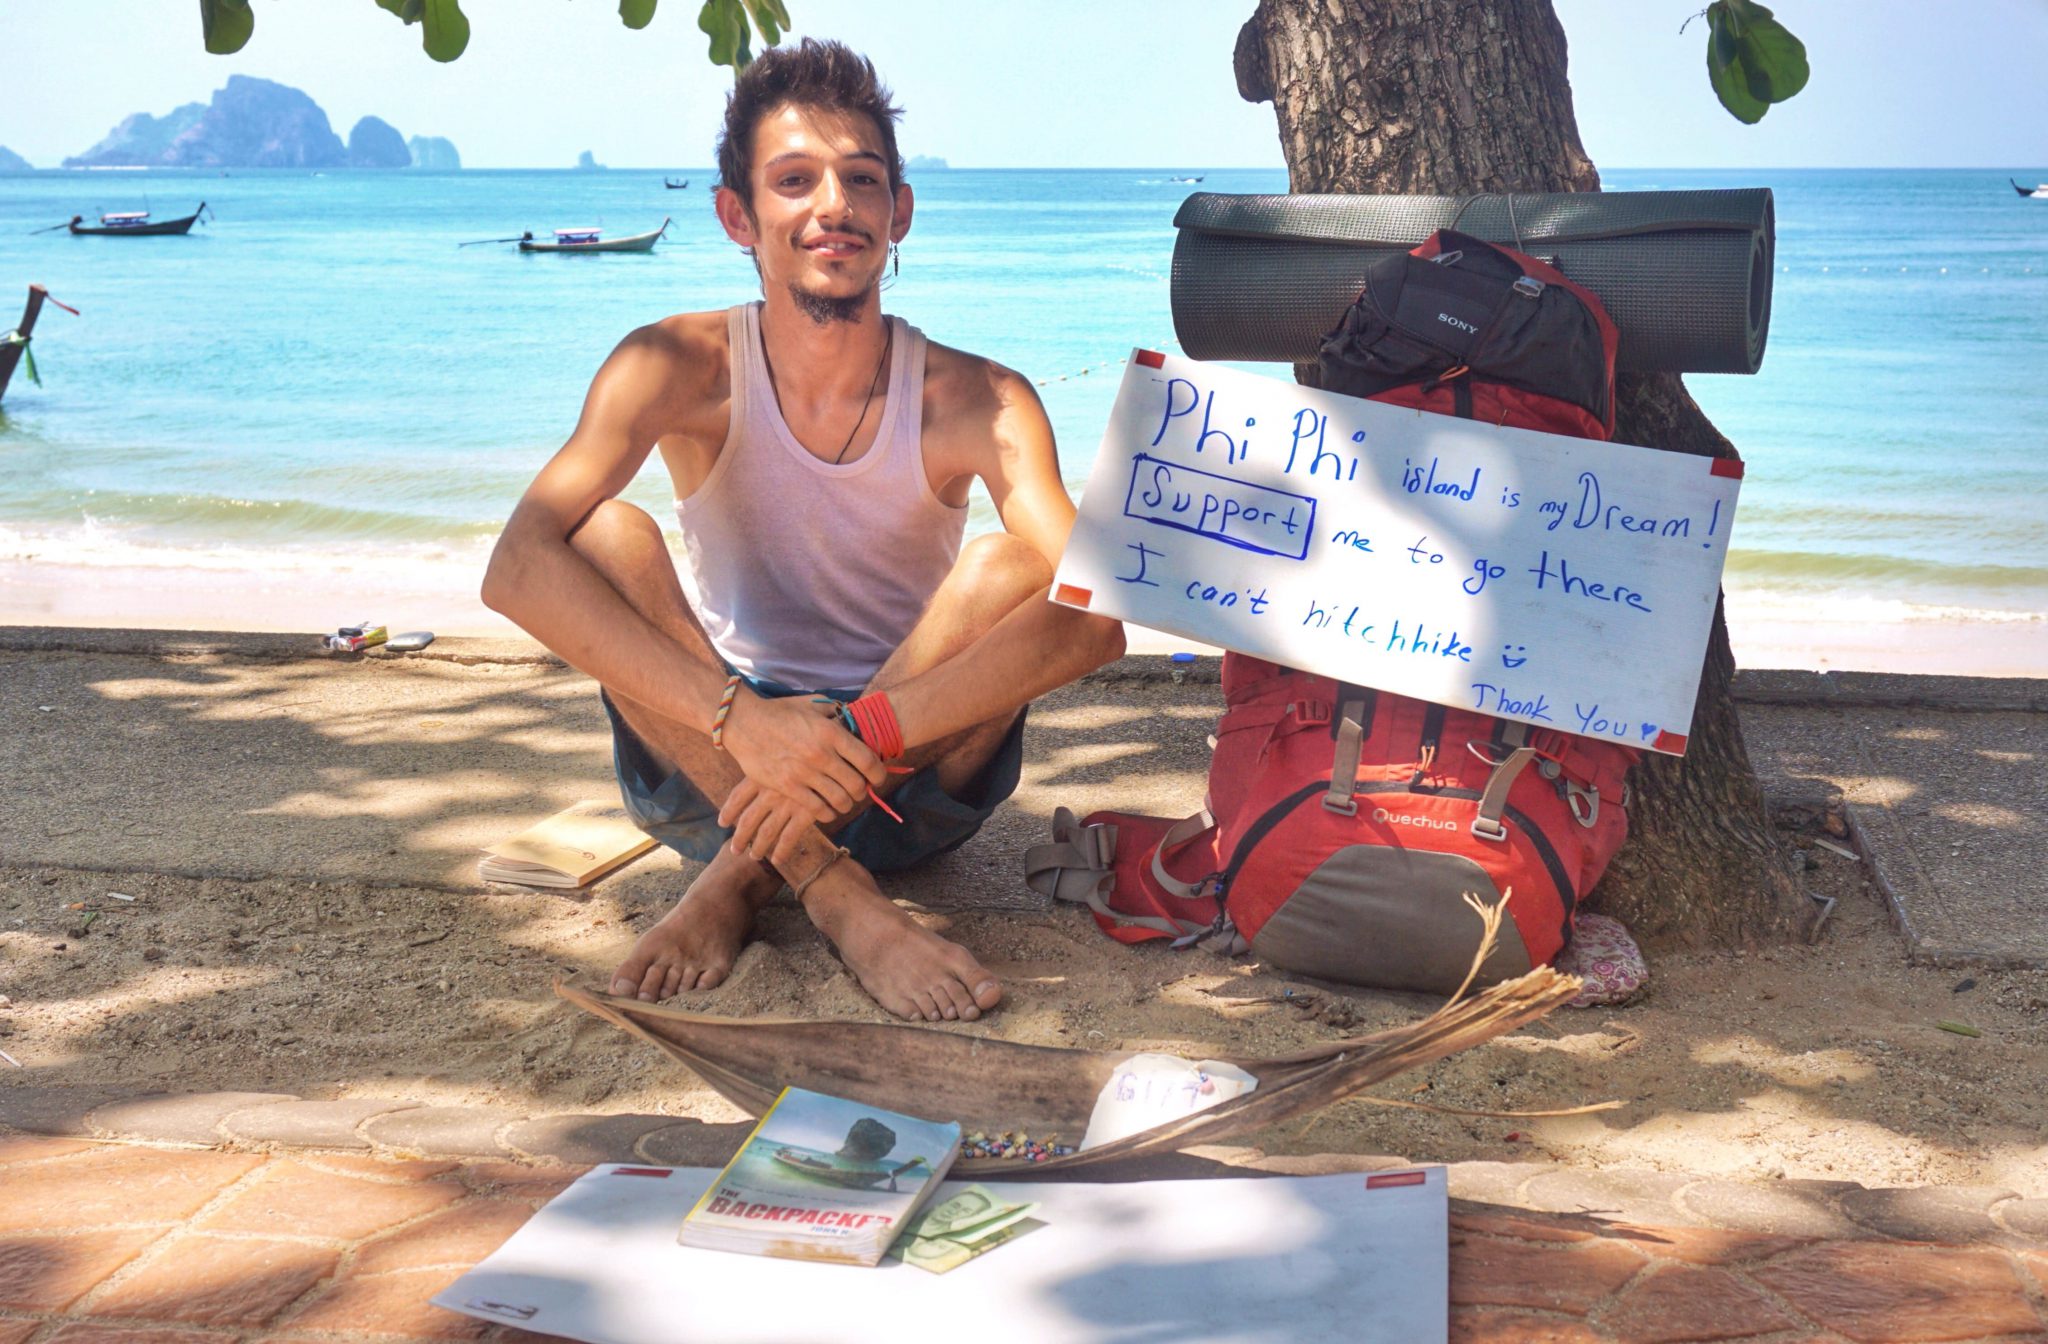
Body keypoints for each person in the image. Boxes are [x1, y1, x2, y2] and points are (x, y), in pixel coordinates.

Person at [482, 38, 1125, 1024]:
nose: (833, 205)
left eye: (861, 179)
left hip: (909, 773)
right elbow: (517, 568)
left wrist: (860, 732)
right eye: (794, 180)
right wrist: (745, 722)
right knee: (602, 534)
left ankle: (736, 881)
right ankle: (835, 894)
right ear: (736, 216)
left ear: (898, 211)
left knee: (1008, 567)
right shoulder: (670, 364)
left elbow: (1097, 614)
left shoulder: (979, 397)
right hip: (714, 764)